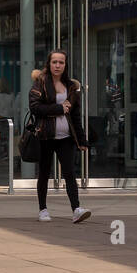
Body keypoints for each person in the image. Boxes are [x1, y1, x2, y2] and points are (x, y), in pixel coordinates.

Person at [28, 49, 91, 224]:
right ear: (49, 64)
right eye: (54, 62)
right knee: (44, 172)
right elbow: (34, 107)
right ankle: (43, 209)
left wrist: (81, 139)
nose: (57, 65)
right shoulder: (40, 82)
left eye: (61, 62)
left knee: (70, 172)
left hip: (66, 137)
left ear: (65, 65)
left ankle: (76, 209)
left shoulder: (71, 86)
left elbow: (75, 115)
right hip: (45, 136)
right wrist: (58, 108)